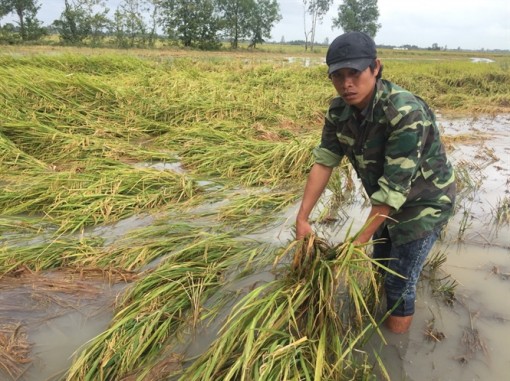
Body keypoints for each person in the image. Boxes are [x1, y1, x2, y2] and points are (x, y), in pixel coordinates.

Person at [295, 31, 456, 334]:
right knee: (379, 266)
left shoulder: (404, 113)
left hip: (425, 204)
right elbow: (325, 160)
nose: (346, 84)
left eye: (354, 73)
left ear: (376, 67)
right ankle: (379, 323)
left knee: (398, 282)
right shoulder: (338, 110)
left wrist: (356, 242)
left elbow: (396, 189)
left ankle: (394, 350)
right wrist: (302, 217)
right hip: (385, 202)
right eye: (337, 76)